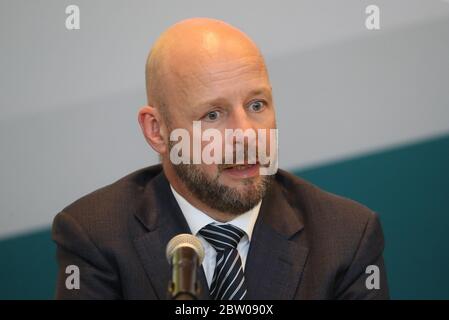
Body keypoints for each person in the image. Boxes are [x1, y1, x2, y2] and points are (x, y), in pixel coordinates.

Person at [52, 17, 389, 299]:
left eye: (257, 106)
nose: (246, 135)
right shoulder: (97, 237)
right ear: (157, 131)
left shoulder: (346, 238)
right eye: (213, 114)